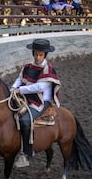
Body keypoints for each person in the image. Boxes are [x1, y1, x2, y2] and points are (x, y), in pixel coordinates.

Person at [10, 39, 61, 168]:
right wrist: (13, 87)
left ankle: (26, 153)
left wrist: (19, 90)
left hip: (40, 102)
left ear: (45, 55)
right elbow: (20, 79)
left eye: (41, 55)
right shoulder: (28, 66)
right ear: (33, 53)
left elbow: (39, 87)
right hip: (25, 97)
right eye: (36, 54)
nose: (38, 57)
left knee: (26, 120)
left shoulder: (47, 69)